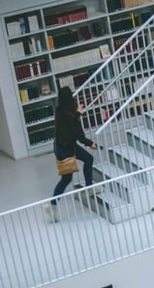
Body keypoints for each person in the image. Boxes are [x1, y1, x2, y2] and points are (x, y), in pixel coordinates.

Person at [47, 89, 97, 223]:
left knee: (88, 158)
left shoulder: (59, 110)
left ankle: (89, 188)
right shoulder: (70, 115)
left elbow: (69, 121)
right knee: (66, 179)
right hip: (67, 149)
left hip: (61, 146)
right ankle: (52, 204)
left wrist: (77, 114)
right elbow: (78, 135)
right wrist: (90, 143)